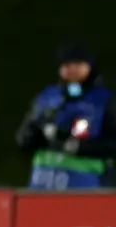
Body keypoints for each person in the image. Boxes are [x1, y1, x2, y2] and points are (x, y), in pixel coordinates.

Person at [15, 40, 116, 190]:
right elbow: (23, 140)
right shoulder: (47, 97)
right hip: (42, 190)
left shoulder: (105, 101)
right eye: (67, 64)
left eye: (78, 64)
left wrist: (78, 147)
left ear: (89, 66)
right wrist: (38, 131)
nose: (72, 69)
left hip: (87, 192)